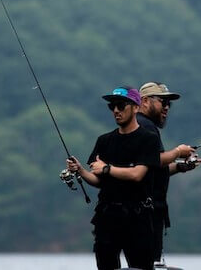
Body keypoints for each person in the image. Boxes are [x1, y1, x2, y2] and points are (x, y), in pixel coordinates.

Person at [67, 86, 161, 270]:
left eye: (121, 105)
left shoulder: (148, 139)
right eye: (112, 106)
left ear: (136, 107)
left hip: (138, 217)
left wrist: (107, 169)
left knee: (140, 267)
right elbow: (98, 180)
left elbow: (137, 174)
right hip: (106, 216)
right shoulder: (104, 140)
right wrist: (80, 170)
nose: (116, 110)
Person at [137, 81, 201, 266]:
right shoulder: (146, 127)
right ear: (144, 101)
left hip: (144, 213)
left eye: (169, 104)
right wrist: (177, 152)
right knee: (148, 264)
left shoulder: (141, 126)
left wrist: (181, 166)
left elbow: (151, 169)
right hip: (146, 214)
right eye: (162, 101)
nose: (166, 107)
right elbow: (154, 160)